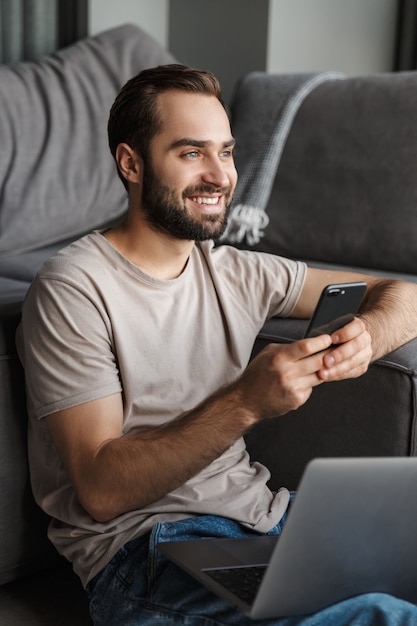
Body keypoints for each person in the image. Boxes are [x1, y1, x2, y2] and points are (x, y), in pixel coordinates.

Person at [16, 64, 417, 626]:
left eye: (225, 152)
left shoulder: (235, 271)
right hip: (146, 556)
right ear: (131, 163)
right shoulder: (74, 288)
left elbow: (403, 293)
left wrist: (369, 337)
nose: (219, 175)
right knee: (383, 617)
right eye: (190, 153)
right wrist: (247, 401)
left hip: (268, 523)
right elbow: (102, 490)